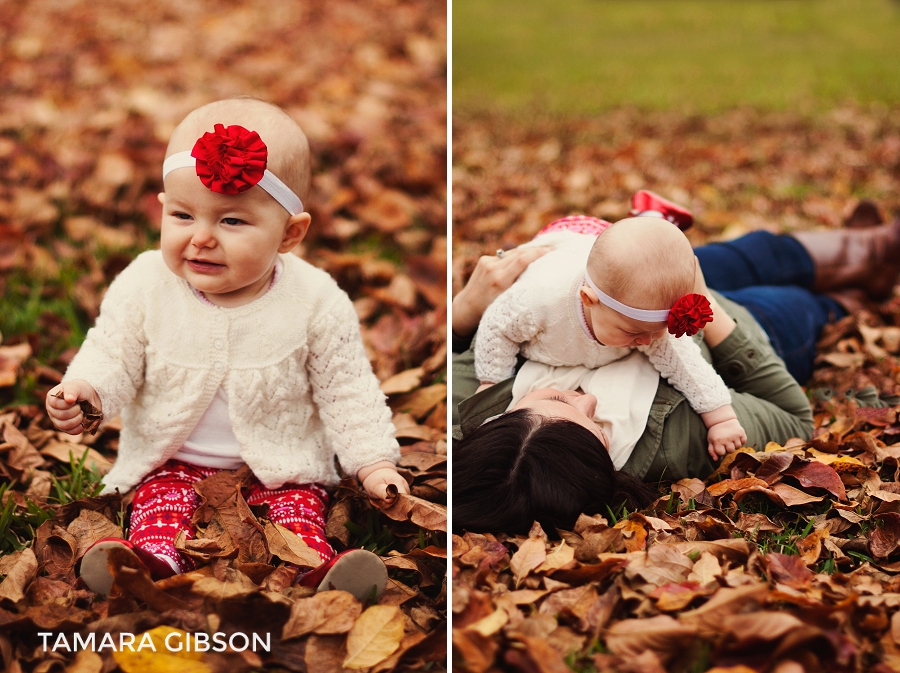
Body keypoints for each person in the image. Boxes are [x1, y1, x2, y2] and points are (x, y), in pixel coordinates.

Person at [46, 97, 409, 600]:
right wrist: (88, 390)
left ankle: (319, 575)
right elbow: (113, 350)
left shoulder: (317, 299)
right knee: (162, 507)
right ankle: (142, 566)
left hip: (280, 466)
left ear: (290, 233)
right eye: (181, 214)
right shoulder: (146, 283)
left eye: (232, 221)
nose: (201, 238)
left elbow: (347, 390)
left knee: (295, 515)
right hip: (174, 459)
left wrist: (373, 463)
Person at [452, 203, 900, 534]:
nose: (588, 398)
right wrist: (709, 307)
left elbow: (466, 348)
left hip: (640, 289)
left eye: (555, 398)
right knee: (792, 304)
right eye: (599, 426)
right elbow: (792, 415)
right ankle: (853, 291)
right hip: (732, 325)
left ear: (502, 423)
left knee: (755, 250)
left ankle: (871, 247)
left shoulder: (477, 406)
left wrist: (464, 310)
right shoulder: (671, 445)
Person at [474, 202, 746, 461]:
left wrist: (721, 418)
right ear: (588, 299)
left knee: (645, 254)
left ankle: (652, 217)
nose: (647, 341)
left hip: (613, 266)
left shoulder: (644, 326)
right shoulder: (537, 303)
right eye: (633, 332)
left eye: (656, 331)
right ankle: (650, 215)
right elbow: (497, 327)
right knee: (617, 254)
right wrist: (491, 382)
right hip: (566, 243)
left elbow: (687, 363)